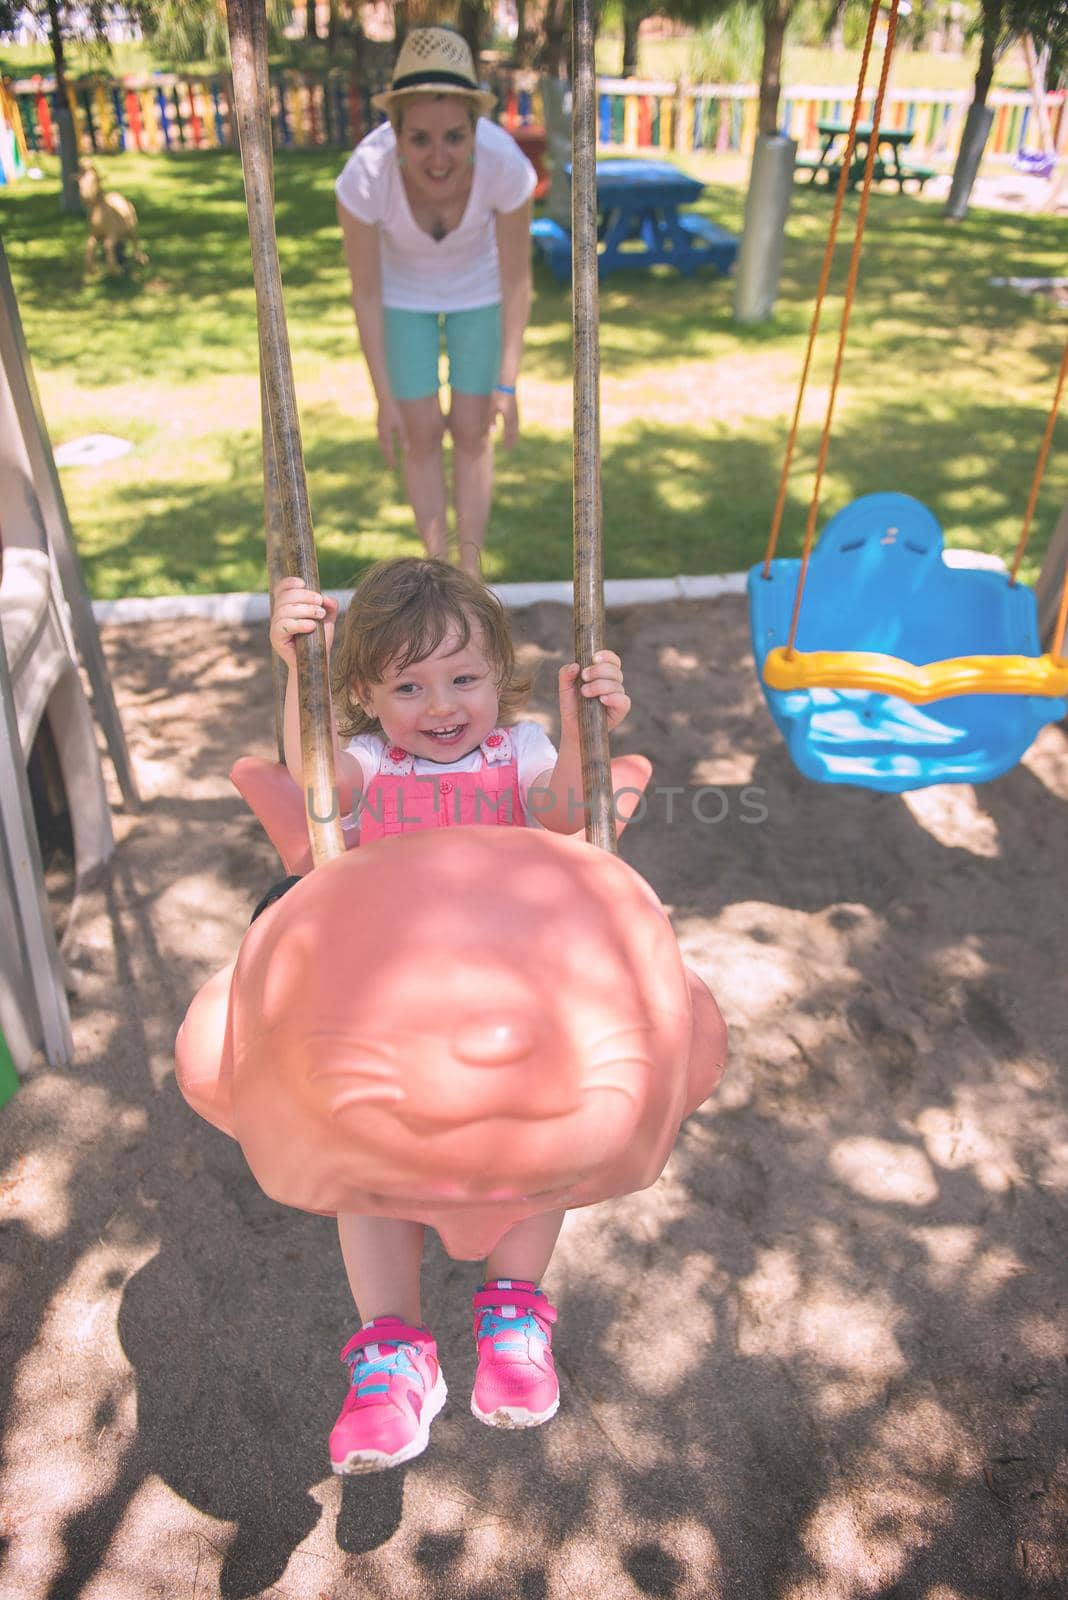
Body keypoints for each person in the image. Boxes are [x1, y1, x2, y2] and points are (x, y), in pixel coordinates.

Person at [269, 557, 631, 1472]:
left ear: (498, 680)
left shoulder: (523, 751)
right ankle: (394, 1353)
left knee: (544, 1151)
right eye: (409, 684)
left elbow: (566, 815)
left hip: (514, 1000)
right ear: (363, 694)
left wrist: (592, 727)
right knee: (369, 1168)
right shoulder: (366, 761)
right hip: (391, 1010)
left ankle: (513, 1315)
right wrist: (292, 674)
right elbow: (314, 792)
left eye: (464, 679)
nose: (442, 705)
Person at [336, 28, 536, 576]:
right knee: (418, 432)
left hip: (482, 291)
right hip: (402, 297)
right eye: (420, 139)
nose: (439, 157)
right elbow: (367, 292)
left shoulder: (507, 166)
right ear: (395, 133)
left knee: (474, 429)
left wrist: (507, 382)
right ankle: (439, 569)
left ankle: (468, 576)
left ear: (476, 130)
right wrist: (383, 397)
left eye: (453, 136)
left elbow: (519, 281)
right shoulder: (364, 176)